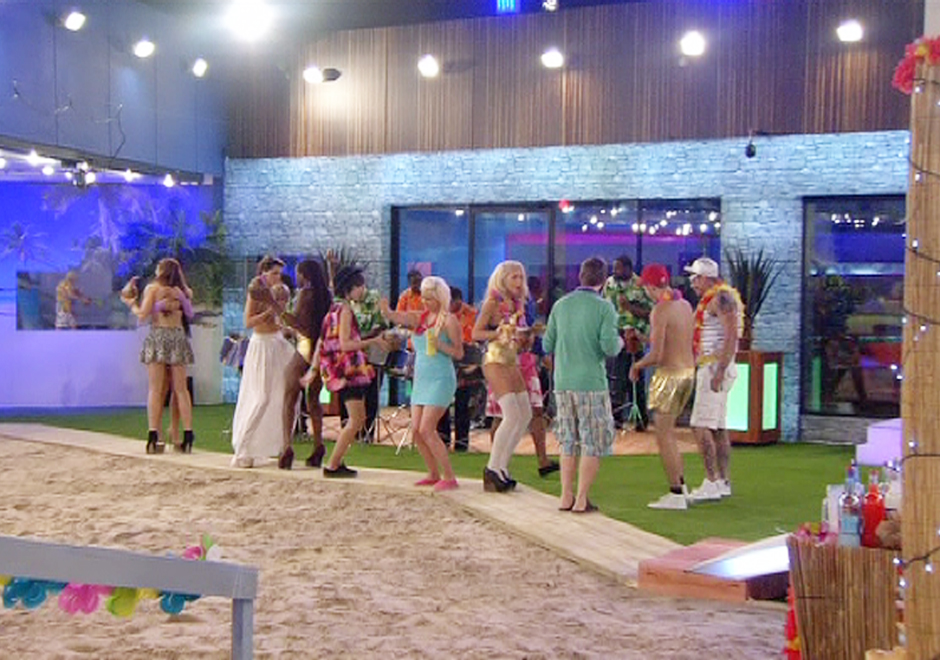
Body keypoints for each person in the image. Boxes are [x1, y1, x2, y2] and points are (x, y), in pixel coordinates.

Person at [543, 257, 622, 513]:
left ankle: (565, 496)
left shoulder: (560, 305)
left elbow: (547, 344)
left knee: (568, 440)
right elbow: (609, 347)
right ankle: (581, 498)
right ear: (604, 280)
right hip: (591, 382)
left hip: (563, 381)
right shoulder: (605, 308)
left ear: (580, 276)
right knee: (592, 441)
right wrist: (621, 341)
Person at [380, 276, 463, 491]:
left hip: (440, 378)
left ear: (440, 298)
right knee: (416, 431)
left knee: (427, 429)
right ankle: (433, 472)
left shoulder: (449, 321)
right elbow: (401, 316)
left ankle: (449, 475)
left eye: (430, 298)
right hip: (422, 378)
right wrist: (387, 311)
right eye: (424, 298)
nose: (425, 302)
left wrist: (440, 345)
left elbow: (459, 352)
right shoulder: (421, 317)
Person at [629, 264, 696, 510]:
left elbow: (656, 355)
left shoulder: (660, 310)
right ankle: (682, 487)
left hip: (669, 375)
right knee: (669, 434)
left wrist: (637, 365)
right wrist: (643, 338)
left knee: (664, 435)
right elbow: (673, 341)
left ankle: (676, 492)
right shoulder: (684, 305)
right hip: (688, 372)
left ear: (651, 286)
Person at [319, 265, 390, 477]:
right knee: (356, 419)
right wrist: (373, 341)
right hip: (349, 370)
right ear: (351, 288)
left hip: (341, 369)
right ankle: (333, 463)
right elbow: (345, 344)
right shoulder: (345, 310)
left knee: (356, 419)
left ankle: (336, 461)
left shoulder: (333, 309)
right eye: (360, 286)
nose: (363, 290)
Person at [121, 258, 196, 455]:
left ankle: (153, 433)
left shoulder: (153, 289)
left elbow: (142, 315)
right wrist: (179, 301)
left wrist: (131, 304)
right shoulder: (183, 291)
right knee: (181, 389)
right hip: (177, 336)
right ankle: (188, 433)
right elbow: (190, 313)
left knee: (155, 389)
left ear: (161, 271)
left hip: (158, 336)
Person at [685, 256, 743, 502]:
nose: (692, 283)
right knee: (718, 427)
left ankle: (712, 481)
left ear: (705, 278)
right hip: (714, 365)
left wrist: (719, 370)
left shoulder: (720, 299)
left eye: (695, 278)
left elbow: (731, 335)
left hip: (713, 366)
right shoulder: (718, 298)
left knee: (701, 425)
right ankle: (722, 481)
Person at [230, 256, 296, 468]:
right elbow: (248, 322)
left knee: (284, 395)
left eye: (279, 274)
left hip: (277, 343)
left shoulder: (278, 292)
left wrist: (284, 327)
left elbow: (280, 320)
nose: (278, 277)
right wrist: (268, 312)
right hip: (262, 345)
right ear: (264, 273)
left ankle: (278, 445)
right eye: (274, 273)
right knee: (262, 397)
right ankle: (243, 447)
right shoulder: (256, 292)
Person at [472, 260, 533, 492]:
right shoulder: (493, 303)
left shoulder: (518, 304)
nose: (519, 281)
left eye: (521, 277)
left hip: (512, 359)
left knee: (525, 414)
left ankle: (502, 466)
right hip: (495, 359)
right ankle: (492, 468)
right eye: (514, 277)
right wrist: (497, 333)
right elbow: (476, 333)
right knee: (511, 414)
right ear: (503, 279)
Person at [278, 259, 332, 470]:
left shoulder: (305, 294)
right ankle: (318, 444)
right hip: (320, 349)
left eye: (298, 273)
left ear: (305, 275)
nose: (296, 278)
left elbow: (299, 324)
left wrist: (278, 309)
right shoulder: (325, 295)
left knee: (289, 398)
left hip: (304, 347)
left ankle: (286, 446)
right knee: (314, 400)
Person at [602, 255, 653, 431]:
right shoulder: (609, 284)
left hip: (634, 336)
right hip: (615, 334)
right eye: (614, 268)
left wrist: (630, 308)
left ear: (629, 269)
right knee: (615, 378)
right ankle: (616, 418)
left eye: (618, 268)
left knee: (635, 378)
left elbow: (651, 313)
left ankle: (640, 419)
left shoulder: (640, 285)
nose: (615, 271)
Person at [436, 286, 480, 452]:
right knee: (442, 403)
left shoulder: (471, 314)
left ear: (458, 301)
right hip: (445, 361)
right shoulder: (441, 314)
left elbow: (469, 337)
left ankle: (462, 442)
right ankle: (443, 440)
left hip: (464, 363)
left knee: (462, 403)